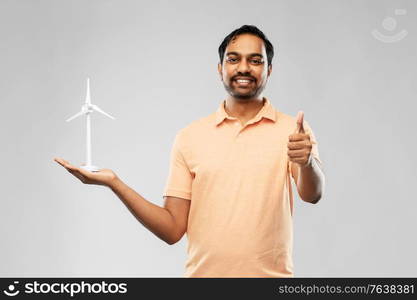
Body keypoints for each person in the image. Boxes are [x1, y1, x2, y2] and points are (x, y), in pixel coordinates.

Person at [54, 25, 325, 277]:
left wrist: (307, 162)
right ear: (220, 68)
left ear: (269, 69)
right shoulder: (190, 137)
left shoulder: (293, 130)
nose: (244, 68)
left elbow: (312, 195)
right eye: (233, 59)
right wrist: (114, 183)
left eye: (256, 60)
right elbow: (172, 228)